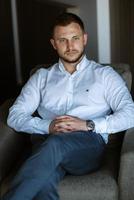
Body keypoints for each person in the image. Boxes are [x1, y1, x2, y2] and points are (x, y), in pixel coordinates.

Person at [2, 12, 134, 200]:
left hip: (87, 145)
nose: (70, 46)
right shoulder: (41, 77)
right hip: (46, 141)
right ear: (54, 44)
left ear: (84, 39)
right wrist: (47, 126)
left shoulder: (105, 75)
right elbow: (14, 115)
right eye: (62, 40)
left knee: (53, 145)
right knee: (44, 183)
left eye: (75, 38)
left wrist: (88, 124)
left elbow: (130, 114)